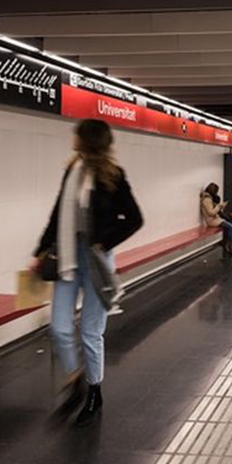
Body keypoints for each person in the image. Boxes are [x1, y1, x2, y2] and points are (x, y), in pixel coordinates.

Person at [31, 119, 143, 427]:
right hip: (68, 258)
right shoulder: (72, 173)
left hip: (96, 262)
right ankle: (74, 378)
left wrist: (103, 241)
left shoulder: (114, 177)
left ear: (88, 140)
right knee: (59, 327)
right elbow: (57, 216)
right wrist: (39, 251)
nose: (73, 138)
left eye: (77, 135)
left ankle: (94, 390)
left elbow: (134, 219)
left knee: (91, 332)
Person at [201, 183, 232, 256]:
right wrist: (219, 206)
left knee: (231, 226)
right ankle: (231, 248)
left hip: (215, 219)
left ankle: (226, 244)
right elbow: (211, 213)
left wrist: (220, 207)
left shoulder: (209, 199)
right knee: (231, 227)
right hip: (212, 221)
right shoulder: (206, 200)